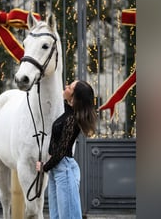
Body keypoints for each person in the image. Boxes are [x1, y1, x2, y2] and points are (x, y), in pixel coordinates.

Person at [36, 80, 97, 219]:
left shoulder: (72, 120)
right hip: (57, 169)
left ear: (75, 97)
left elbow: (61, 151)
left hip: (64, 169)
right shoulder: (69, 112)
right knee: (56, 216)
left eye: (69, 87)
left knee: (68, 216)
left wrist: (44, 168)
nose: (65, 86)